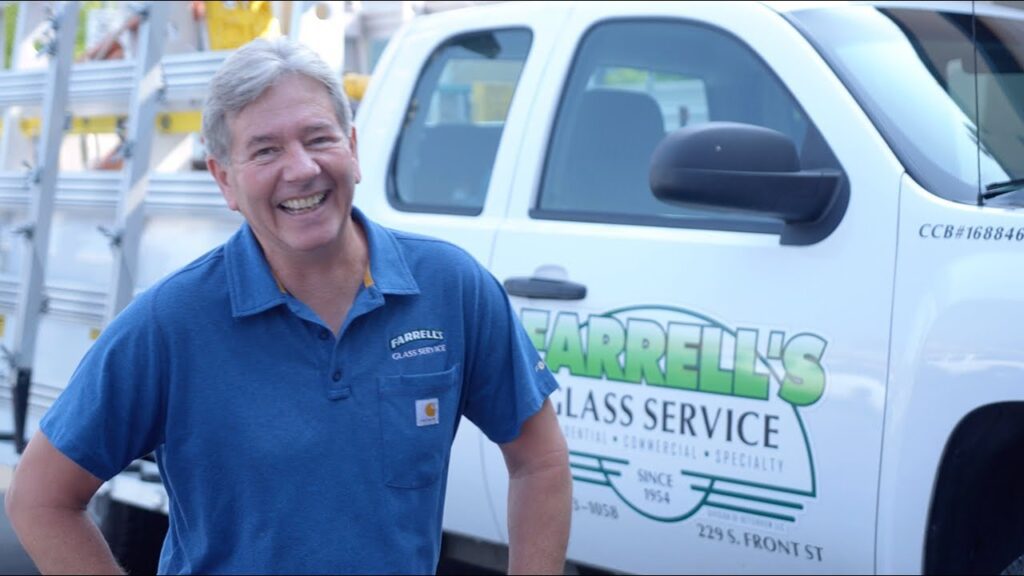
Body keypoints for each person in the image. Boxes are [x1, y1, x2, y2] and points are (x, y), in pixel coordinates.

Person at [5, 37, 571, 575]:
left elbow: (540, 462)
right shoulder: (170, 324)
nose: (300, 169)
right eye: (266, 150)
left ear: (352, 148)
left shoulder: (451, 288)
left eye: (319, 138)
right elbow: (40, 499)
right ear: (225, 181)